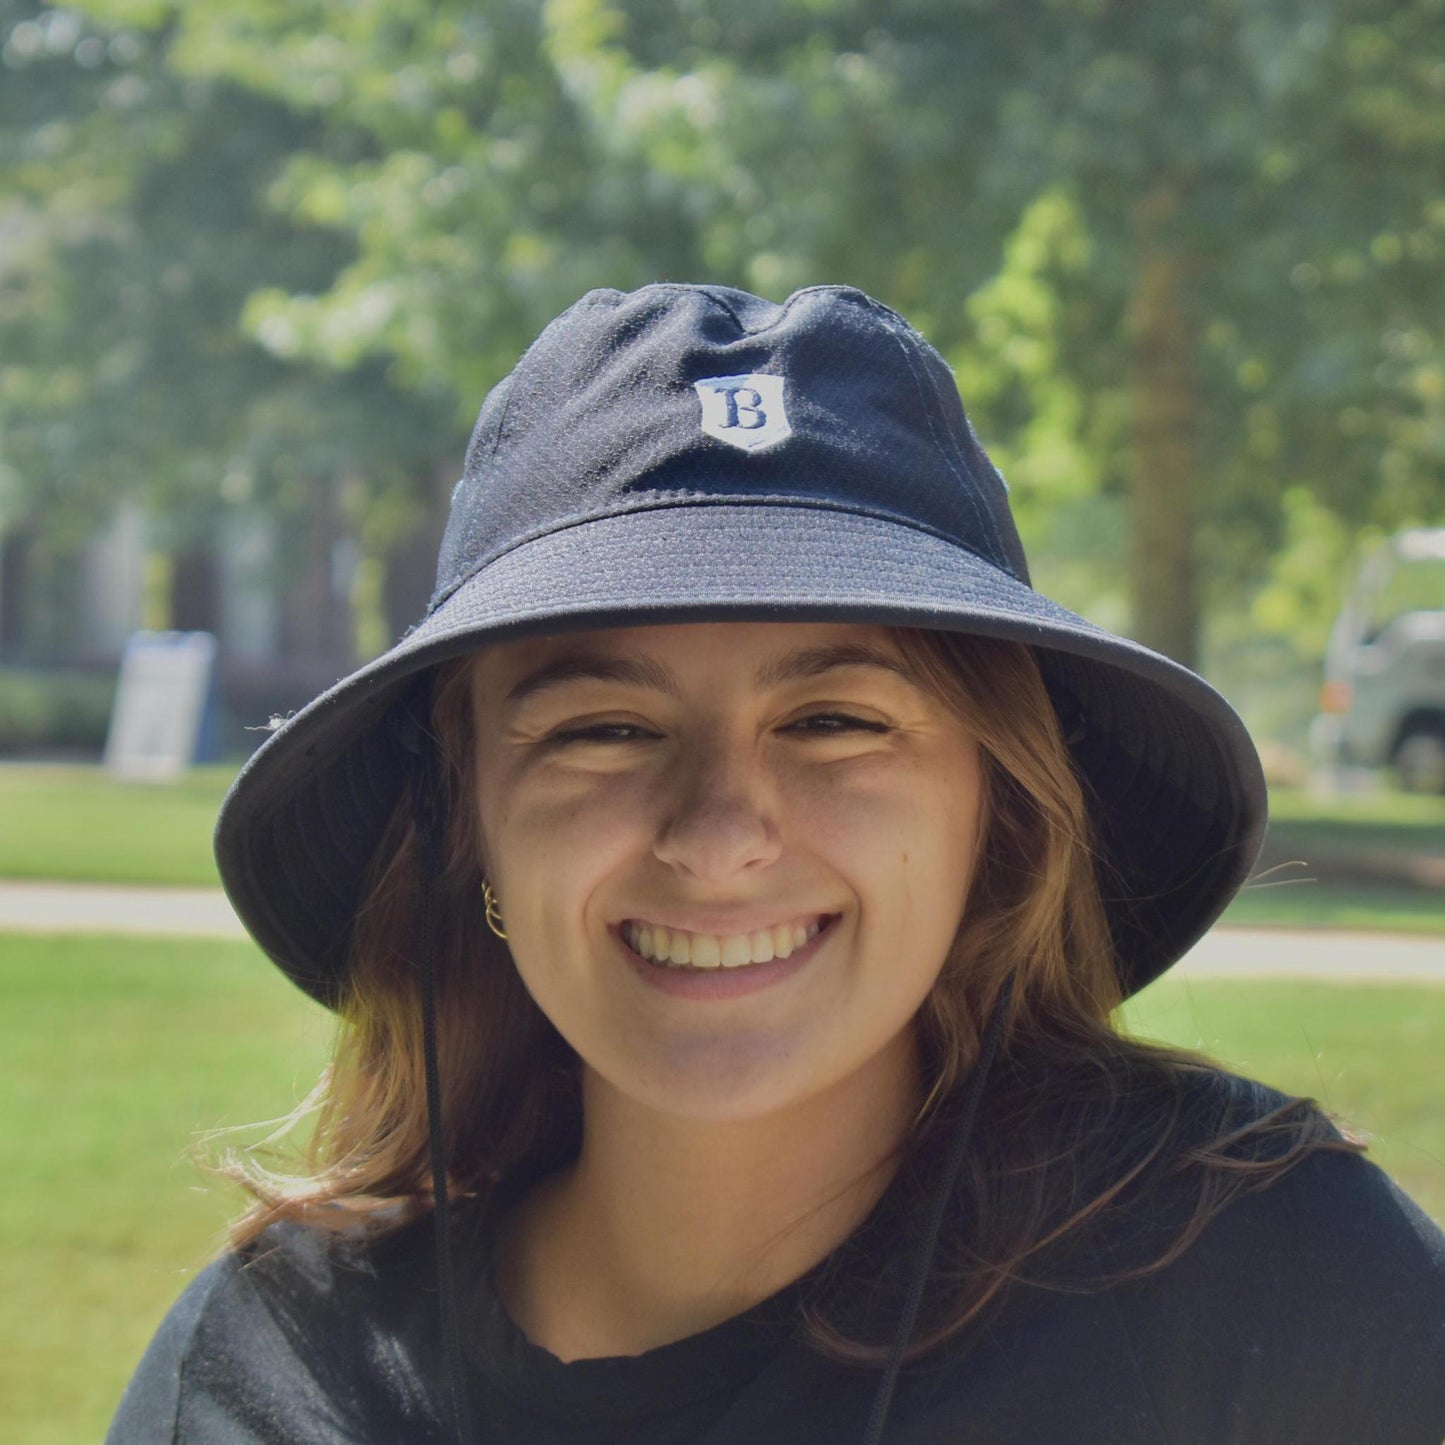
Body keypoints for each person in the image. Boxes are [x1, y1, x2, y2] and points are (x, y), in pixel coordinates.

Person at [108, 284, 1445, 1444]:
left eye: (834, 720)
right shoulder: (266, 1377)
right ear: (463, 817)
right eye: (603, 728)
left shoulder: (1269, 1287)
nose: (717, 831)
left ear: (1000, 805)